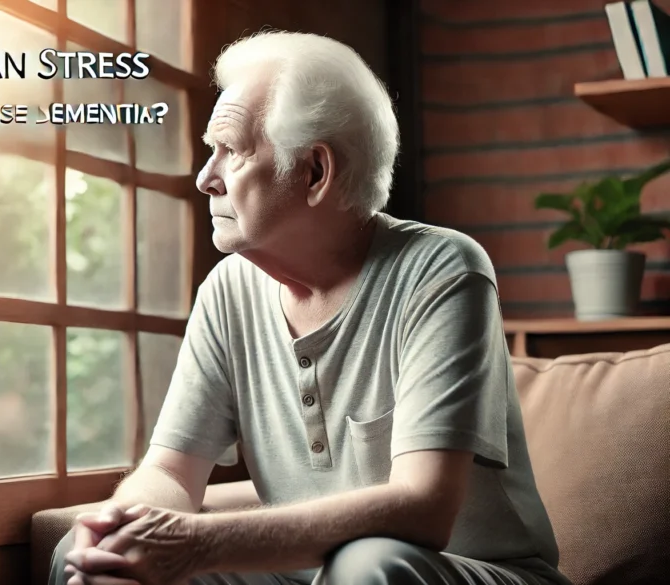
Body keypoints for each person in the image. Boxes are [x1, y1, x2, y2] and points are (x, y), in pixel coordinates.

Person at [50, 31, 572, 585]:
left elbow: (423, 507)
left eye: (230, 150)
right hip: (311, 573)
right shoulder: (228, 290)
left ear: (315, 171)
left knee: (370, 564)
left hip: (467, 571)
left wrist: (194, 544)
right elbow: (171, 473)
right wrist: (124, 525)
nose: (205, 178)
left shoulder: (442, 269)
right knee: (82, 554)